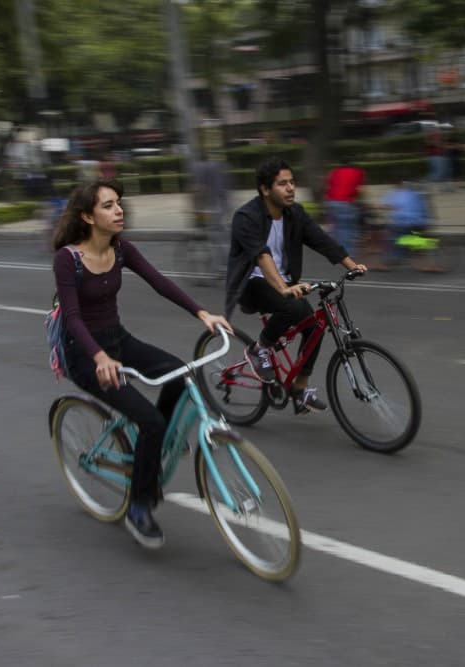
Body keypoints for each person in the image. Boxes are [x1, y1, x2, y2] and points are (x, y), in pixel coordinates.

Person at [52, 179, 231, 549]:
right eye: (107, 206)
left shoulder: (121, 249)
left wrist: (202, 313)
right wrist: (99, 357)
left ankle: (157, 443)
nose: (119, 210)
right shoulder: (67, 260)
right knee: (148, 421)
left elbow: (160, 282)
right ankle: (139, 507)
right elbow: (72, 317)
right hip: (85, 355)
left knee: (182, 375)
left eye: (118, 203)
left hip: (118, 338)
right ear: (87, 216)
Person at [224, 157, 367, 414]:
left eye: (292, 182)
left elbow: (321, 239)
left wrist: (351, 265)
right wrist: (283, 287)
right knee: (289, 304)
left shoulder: (294, 213)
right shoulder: (246, 217)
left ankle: (299, 390)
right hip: (250, 283)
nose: (290, 188)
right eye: (282, 184)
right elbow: (261, 254)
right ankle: (260, 349)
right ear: (265, 189)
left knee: (315, 326)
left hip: (283, 283)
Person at [324, 159, 366, 256]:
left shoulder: (334, 172)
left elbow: (328, 187)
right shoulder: (358, 172)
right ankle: (347, 252)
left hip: (331, 202)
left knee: (336, 227)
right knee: (347, 227)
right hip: (346, 202)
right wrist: (360, 201)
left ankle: (332, 249)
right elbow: (362, 190)